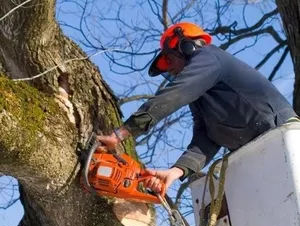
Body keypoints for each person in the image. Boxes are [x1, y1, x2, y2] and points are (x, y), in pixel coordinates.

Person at [97, 22, 299, 194]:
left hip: (282, 138)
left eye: (169, 60)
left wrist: (121, 133)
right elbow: (206, 138)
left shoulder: (210, 57)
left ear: (186, 47)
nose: (171, 70)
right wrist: (175, 172)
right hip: (259, 155)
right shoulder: (202, 96)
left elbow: (175, 94)